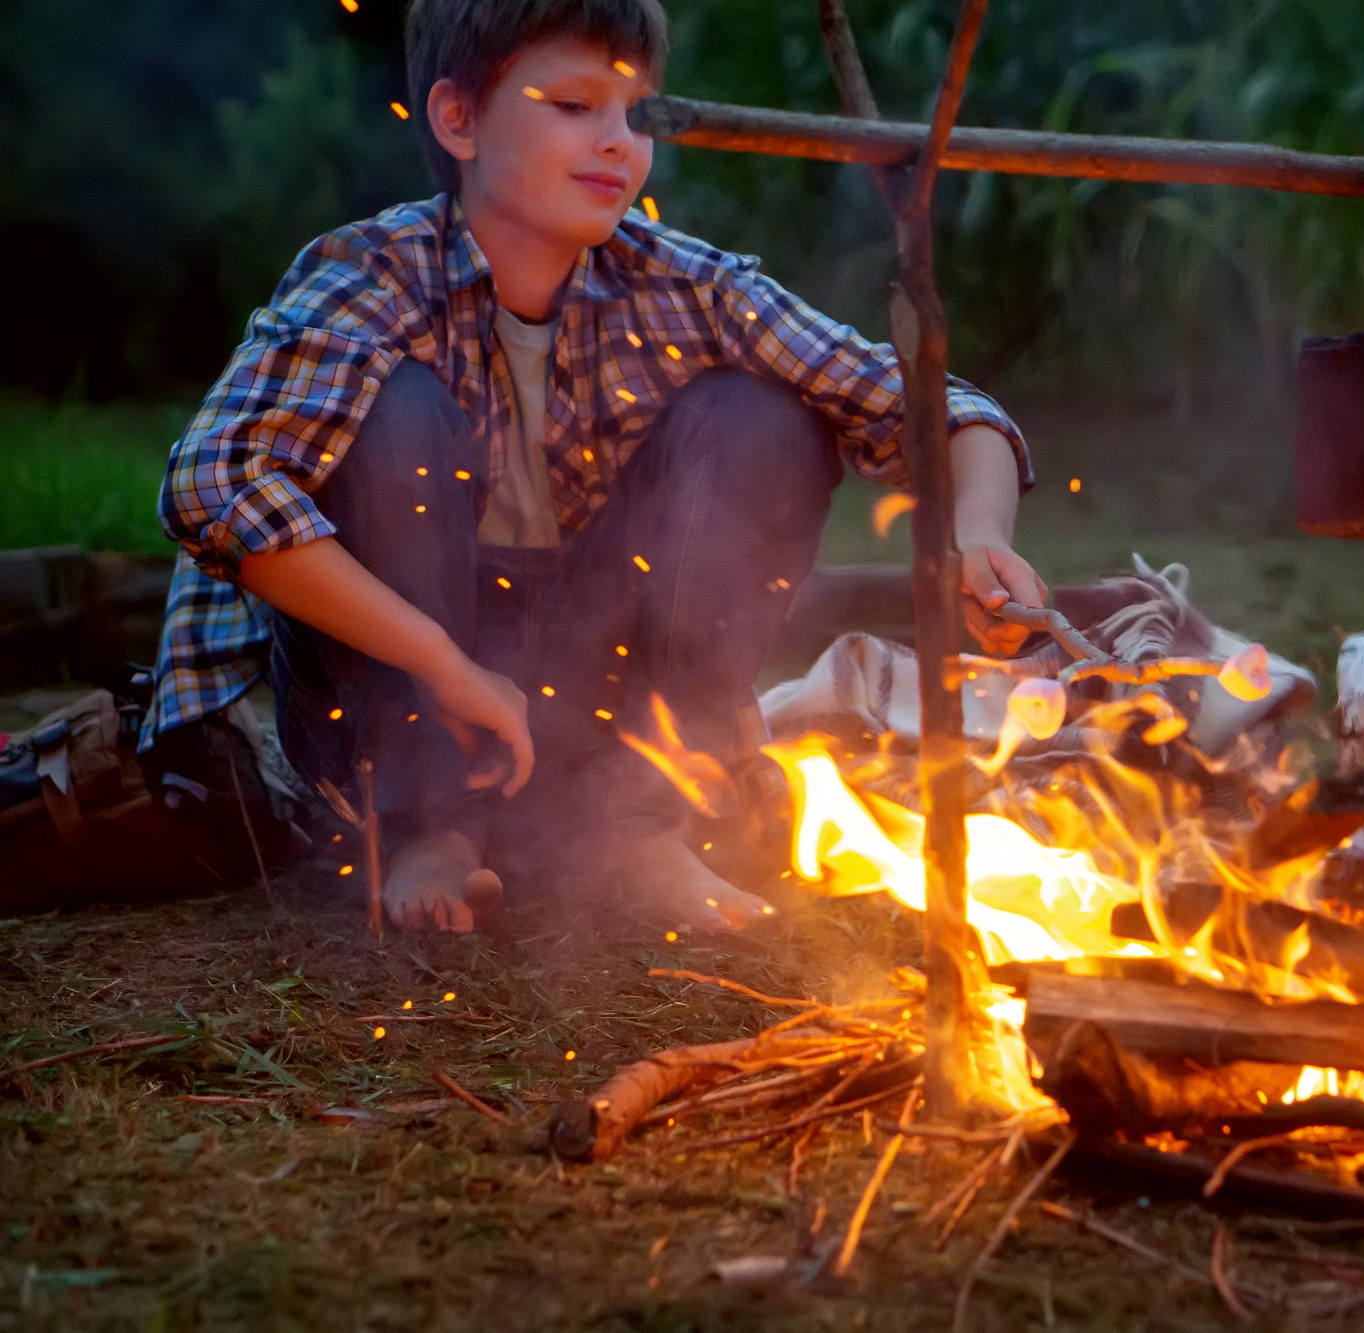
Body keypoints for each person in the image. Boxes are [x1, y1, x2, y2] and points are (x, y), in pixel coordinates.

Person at [141, 0, 1046, 935]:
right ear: (457, 120)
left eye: (637, 115)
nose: (617, 143)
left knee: (766, 415)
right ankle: (431, 828)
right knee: (392, 410)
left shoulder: (683, 284)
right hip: (396, 698)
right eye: (574, 106)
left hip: (589, 687)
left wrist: (974, 534)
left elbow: (945, 409)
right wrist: (443, 662)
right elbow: (214, 487)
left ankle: (634, 824)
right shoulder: (370, 277)